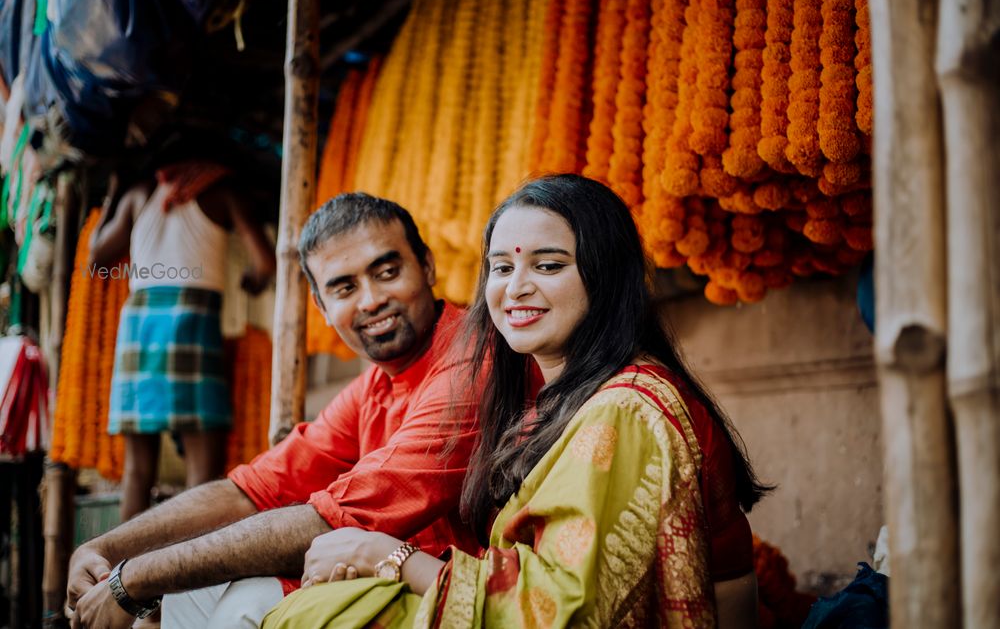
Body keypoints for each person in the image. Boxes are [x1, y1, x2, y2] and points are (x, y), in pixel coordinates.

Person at [263, 174, 767, 628]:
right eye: (501, 267)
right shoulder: (552, 400)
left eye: (548, 265)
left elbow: (562, 610)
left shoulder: (627, 410)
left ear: (606, 275)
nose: (515, 289)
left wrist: (389, 557)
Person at [68, 193, 480, 629]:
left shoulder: (469, 363)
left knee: (242, 604)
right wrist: (104, 549)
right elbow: (250, 491)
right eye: (345, 287)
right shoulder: (374, 386)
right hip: (399, 584)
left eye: (387, 272)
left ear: (429, 267)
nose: (371, 299)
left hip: (467, 599)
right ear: (321, 308)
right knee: (192, 596)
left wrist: (131, 580)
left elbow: (328, 520)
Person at [90, 159, 277, 521]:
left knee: (137, 472)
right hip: (193, 322)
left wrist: (113, 193)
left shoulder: (138, 193)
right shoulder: (223, 191)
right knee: (202, 477)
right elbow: (265, 263)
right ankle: (193, 573)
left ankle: (120, 571)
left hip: (139, 327)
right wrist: (252, 282)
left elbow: (98, 259)